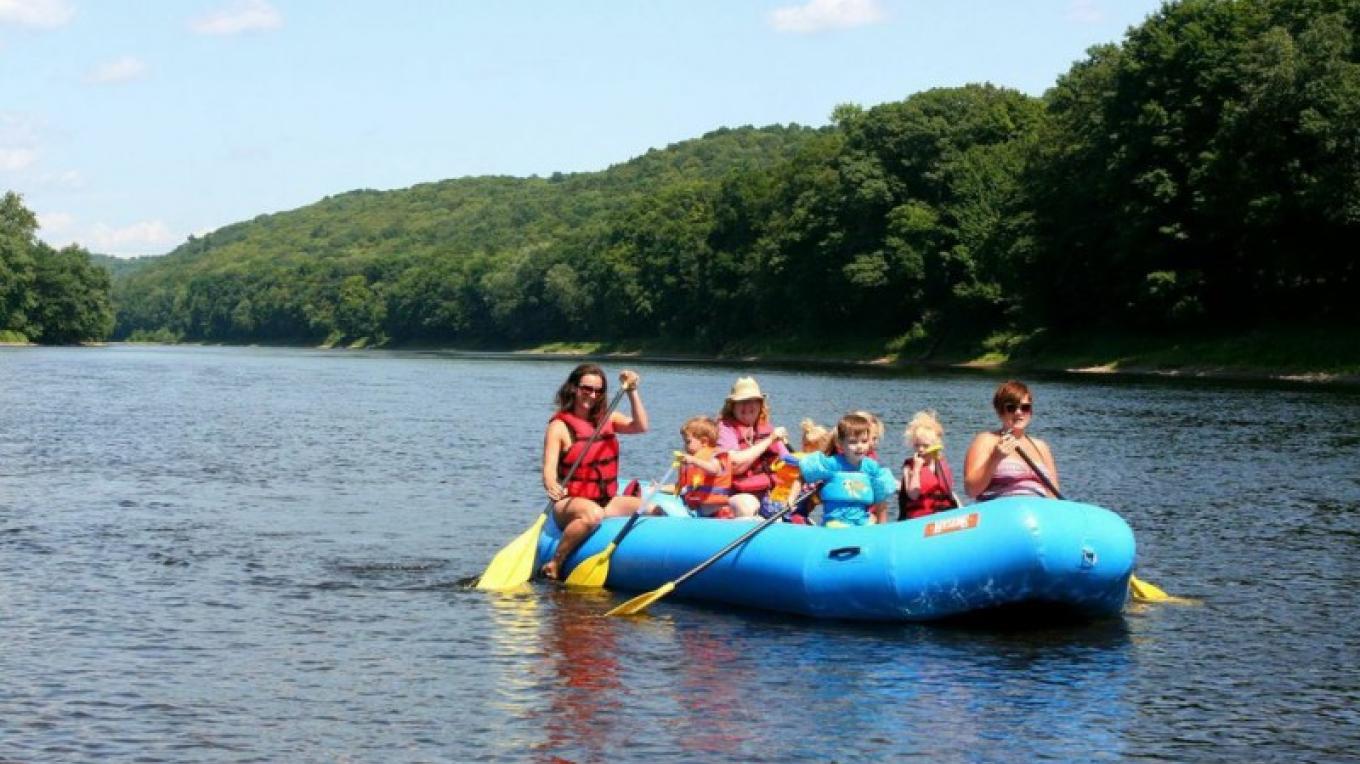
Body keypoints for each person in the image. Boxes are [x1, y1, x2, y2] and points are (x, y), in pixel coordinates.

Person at [540, 363, 648, 580]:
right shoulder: (559, 427)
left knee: (652, 509)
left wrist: (632, 391)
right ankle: (555, 562)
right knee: (592, 515)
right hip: (570, 503)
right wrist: (552, 486)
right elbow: (548, 471)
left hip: (604, 499)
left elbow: (640, 426)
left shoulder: (608, 417)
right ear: (574, 388)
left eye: (598, 390)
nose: (592, 394)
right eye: (586, 388)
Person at [963, 380, 1059, 501]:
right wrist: (995, 458)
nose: (1019, 413)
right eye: (1011, 408)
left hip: (1038, 513)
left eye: (1025, 407)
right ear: (1000, 412)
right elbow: (971, 490)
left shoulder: (1041, 447)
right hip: (1002, 512)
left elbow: (1054, 495)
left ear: (1031, 411)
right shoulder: (986, 440)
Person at [796, 413, 897, 527]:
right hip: (835, 522)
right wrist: (791, 497)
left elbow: (881, 499)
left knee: (870, 522)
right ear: (840, 443)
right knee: (835, 525)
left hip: (861, 522)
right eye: (853, 442)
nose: (859, 446)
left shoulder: (871, 468)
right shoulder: (832, 464)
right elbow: (804, 474)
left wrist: (882, 527)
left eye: (864, 441)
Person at [715, 377, 788, 518]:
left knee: (787, 504)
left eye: (753, 401)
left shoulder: (766, 429)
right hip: (733, 495)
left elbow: (787, 460)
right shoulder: (725, 428)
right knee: (747, 505)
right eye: (742, 402)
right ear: (732, 406)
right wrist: (770, 439)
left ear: (760, 405)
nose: (748, 406)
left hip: (767, 494)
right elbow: (735, 465)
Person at [898, 410, 961, 520]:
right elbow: (913, 495)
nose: (921, 449)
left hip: (942, 514)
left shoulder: (939, 464)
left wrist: (961, 510)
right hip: (919, 518)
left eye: (925, 446)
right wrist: (917, 470)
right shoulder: (909, 467)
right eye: (917, 445)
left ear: (935, 446)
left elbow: (949, 492)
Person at [675, 416, 734, 518]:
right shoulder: (691, 463)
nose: (684, 446)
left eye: (688, 442)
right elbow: (681, 488)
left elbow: (714, 470)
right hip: (698, 507)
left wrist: (694, 460)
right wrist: (659, 487)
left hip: (714, 508)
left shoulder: (714, 457)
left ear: (703, 442)